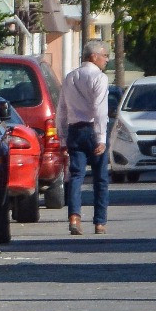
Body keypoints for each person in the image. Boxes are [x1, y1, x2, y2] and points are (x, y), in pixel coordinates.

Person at [56, 40, 111, 235]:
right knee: (100, 178)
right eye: (105, 55)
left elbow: (61, 109)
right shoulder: (99, 78)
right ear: (93, 56)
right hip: (92, 130)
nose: (107, 60)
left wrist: (62, 138)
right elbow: (100, 109)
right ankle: (100, 222)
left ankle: (74, 217)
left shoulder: (70, 77)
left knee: (76, 175)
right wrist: (101, 138)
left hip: (74, 131)